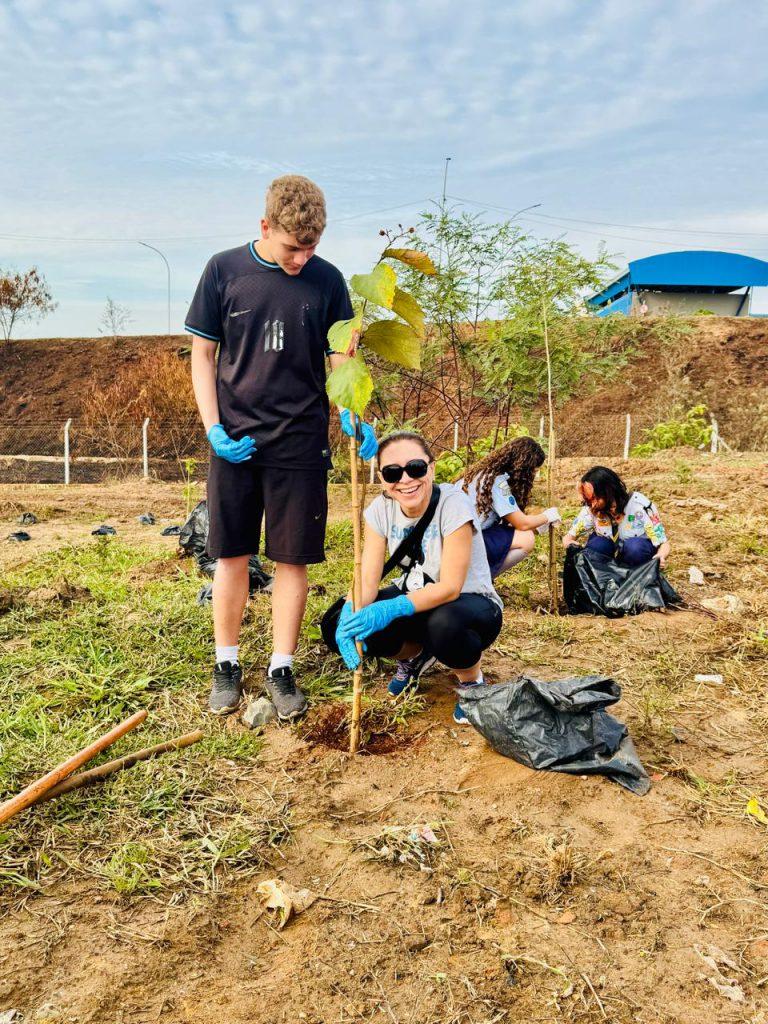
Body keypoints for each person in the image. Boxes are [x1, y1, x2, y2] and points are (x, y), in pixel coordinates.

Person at [186, 175, 378, 719]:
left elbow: (341, 358)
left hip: (300, 440)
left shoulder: (329, 281)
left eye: (312, 246)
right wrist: (212, 427)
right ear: (265, 226)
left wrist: (350, 410)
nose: (302, 257)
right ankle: (227, 664)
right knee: (231, 553)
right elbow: (203, 355)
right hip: (236, 440)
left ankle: (281, 667)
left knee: (293, 558)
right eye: (293, 246)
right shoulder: (224, 270)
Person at [321, 431, 503, 725]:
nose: (405, 480)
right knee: (334, 623)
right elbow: (368, 579)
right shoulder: (380, 510)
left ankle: (472, 683)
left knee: (444, 624)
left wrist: (390, 608)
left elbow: (450, 587)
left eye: (415, 468)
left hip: (468, 604)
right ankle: (415, 656)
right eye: (392, 472)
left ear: (431, 467)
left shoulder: (454, 504)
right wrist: (351, 613)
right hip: (417, 596)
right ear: (381, 477)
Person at [457, 436, 560, 579]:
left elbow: (511, 520)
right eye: (533, 470)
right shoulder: (496, 482)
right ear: (523, 466)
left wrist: (537, 523)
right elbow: (522, 524)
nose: (533, 475)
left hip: (454, 541)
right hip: (465, 545)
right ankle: (480, 579)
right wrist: (547, 516)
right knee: (526, 538)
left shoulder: (481, 475)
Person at [562, 466, 670, 567]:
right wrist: (569, 544)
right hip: (605, 568)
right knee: (597, 545)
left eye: (596, 498)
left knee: (635, 548)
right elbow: (568, 537)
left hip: (636, 560)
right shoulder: (591, 509)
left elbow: (663, 543)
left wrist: (661, 556)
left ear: (609, 492)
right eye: (590, 501)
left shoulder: (640, 506)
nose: (593, 504)